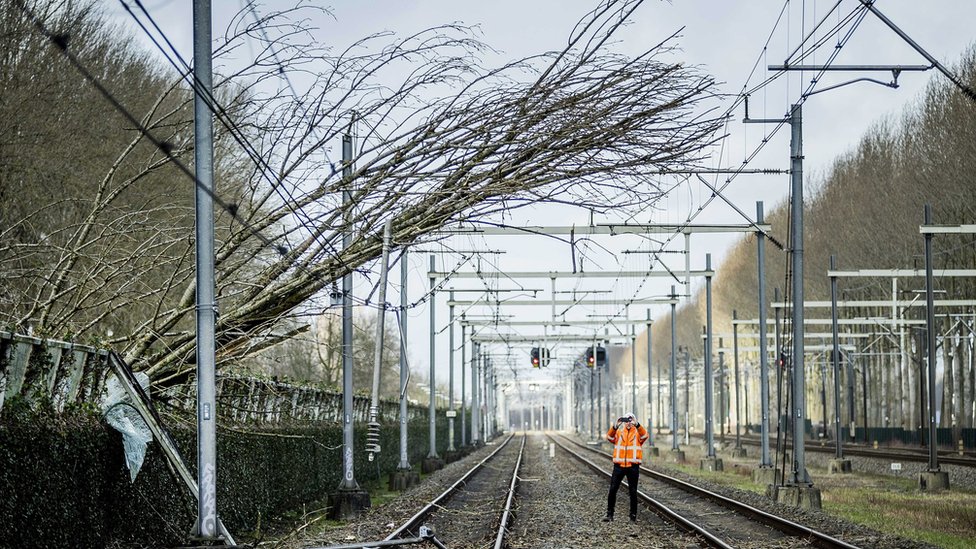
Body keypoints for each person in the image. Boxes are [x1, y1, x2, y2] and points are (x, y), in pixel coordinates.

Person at [602, 412, 648, 522]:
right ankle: (609, 514)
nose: (628, 423)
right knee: (613, 489)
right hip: (619, 466)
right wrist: (615, 426)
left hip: (633, 467)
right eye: (626, 420)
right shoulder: (618, 432)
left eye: (630, 420)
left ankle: (633, 516)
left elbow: (645, 435)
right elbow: (609, 437)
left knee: (633, 492)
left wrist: (637, 425)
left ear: (634, 421)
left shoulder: (637, 433)